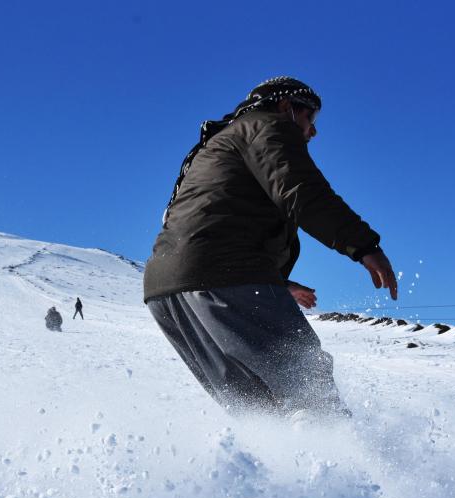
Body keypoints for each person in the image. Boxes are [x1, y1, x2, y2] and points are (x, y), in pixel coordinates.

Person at [143, 77, 398, 420]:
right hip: (222, 273)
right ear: (285, 107)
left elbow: (210, 221)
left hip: (168, 291)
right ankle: (346, 464)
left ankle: (280, 472)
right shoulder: (265, 127)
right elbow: (301, 192)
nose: (312, 132)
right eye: (310, 119)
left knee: (261, 412)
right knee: (308, 386)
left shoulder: (220, 144)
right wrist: (363, 245)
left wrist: (277, 281)